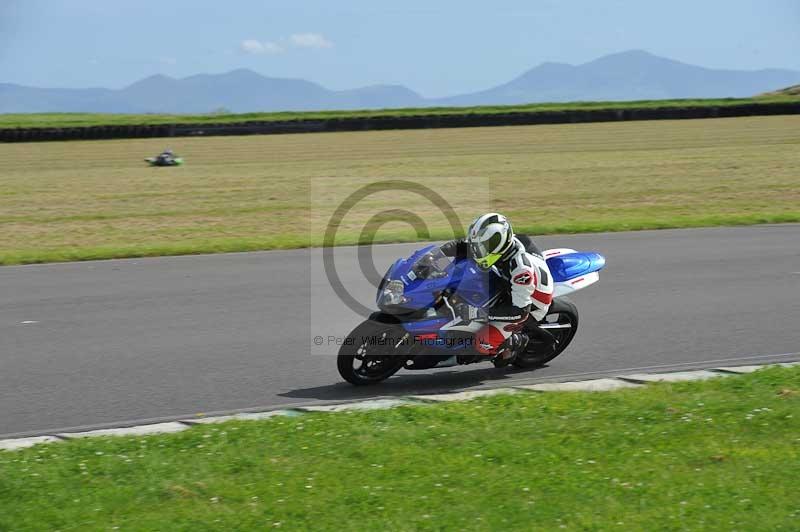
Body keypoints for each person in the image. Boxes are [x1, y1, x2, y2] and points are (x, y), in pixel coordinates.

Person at [439, 213, 554, 367]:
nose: (478, 250)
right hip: (507, 284)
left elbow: (520, 312)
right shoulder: (494, 246)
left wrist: (477, 313)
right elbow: (466, 245)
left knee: (481, 344)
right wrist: (439, 253)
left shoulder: (520, 271)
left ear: (498, 244)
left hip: (530, 303)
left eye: (483, 246)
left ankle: (513, 343)